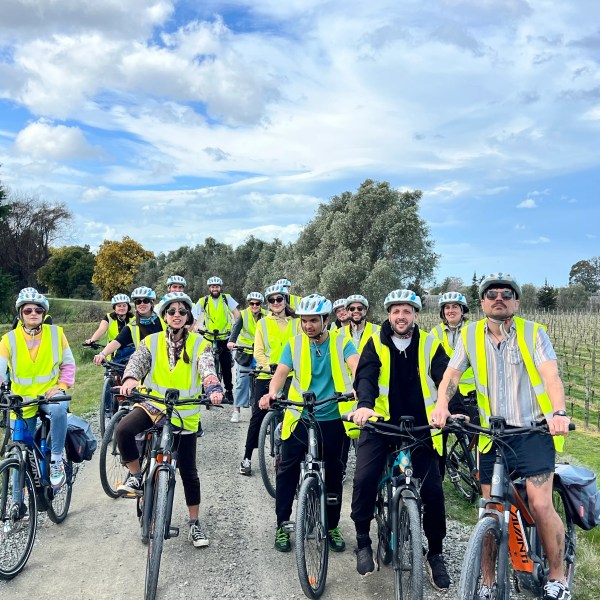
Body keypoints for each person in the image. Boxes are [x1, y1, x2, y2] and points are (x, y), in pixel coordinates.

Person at [431, 273, 572, 600]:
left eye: (506, 294)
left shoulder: (533, 333)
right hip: (492, 437)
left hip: (533, 432)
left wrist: (560, 412)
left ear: (516, 301)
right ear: (481, 303)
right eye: (491, 293)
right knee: (490, 510)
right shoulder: (469, 336)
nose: (498, 297)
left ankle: (557, 577)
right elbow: (451, 376)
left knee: (539, 503)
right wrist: (441, 405)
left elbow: (551, 375)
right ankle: (488, 582)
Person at [349, 289, 466, 589]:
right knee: (363, 479)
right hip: (381, 426)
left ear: (415, 314)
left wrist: (457, 410)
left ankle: (435, 553)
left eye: (407, 311)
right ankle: (363, 540)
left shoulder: (429, 343)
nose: (401, 316)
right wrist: (364, 405)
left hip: (420, 429)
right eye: (395, 311)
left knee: (433, 493)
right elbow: (366, 377)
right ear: (388, 314)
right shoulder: (375, 342)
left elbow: (446, 379)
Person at [115, 292, 223, 548]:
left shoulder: (199, 343)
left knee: (188, 472)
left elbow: (207, 367)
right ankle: (135, 476)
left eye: (182, 312)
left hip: (184, 413)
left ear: (188, 317)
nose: (176, 315)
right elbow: (136, 364)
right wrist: (130, 381)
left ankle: (194, 524)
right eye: (172, 311)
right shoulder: (150, 342)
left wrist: (213, 387)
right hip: (154, 406)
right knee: (123, 430)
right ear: (164, 316)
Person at [259, 294, 359, 552]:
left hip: (333, 417)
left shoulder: (341, 341)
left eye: (314, 320)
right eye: (304, 321)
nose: (308, 325)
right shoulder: (295, 344)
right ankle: (282, 525)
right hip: (300, 415)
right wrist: (272, 393)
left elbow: (356, 365)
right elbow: (281, 373)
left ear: (325, 320)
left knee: (336, 474)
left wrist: (362, 387)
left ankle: (333, 525)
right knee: (287, 472)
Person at [0, 291, 75, 488]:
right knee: (19, 451)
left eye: (38, 309)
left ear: (43, 313)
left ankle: (56, 459)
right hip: (22, 400)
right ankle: (19, 503)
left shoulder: (56, 334)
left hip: (50, 395)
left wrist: (61, 387)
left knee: (59, 409)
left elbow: (68, 365)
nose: (33, 313)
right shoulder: (9, 339)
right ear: (20, 314)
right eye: (28, 310)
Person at [239, 284, 298, 475]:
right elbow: (259, 351)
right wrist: (269, 367)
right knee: (257, 416)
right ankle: (247, 458)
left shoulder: (297, 323)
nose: (275, 303)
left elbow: (301, 347)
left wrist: (287, 368)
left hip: (290, 375)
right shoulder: (262, 323)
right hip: (266, 374)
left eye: (279, 299)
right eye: (271, 300)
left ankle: (297, 457)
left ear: (285, 300)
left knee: (295, 413)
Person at [193, 276, 240, 404]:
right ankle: (205, 390)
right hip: (208, 337)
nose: (215, 289)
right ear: (209, 288)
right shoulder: (204, 300)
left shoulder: (226, 298)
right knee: (205, 364)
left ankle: (229, 391)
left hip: (224, 337)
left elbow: (237, 315)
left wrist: (235, 328)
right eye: (212, 287)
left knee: (226, 365)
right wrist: (195, 325)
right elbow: (194, 315)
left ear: (220, 287)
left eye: (217, 286)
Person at [430, 291, 477, 418]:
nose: (450, 310)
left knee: (472, 435)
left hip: (472, 395)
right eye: (447, 307)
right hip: (445, 395)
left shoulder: (475, 330)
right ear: (443, 312)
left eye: (455, 307)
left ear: (462, 310)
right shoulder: (435, 333)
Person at [92, 287, 162, 366]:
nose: (142, 304)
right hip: (143, 366)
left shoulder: (164, 321)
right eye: (138, 301)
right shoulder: (132, 326)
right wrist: (102, 354)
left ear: (151, 303)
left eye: (145, 301)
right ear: (135, 305)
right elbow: (118, 341)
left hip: (163, 364)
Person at [227, 292, 266, 422]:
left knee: (262, 383)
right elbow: (236, 329)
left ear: (261, 304)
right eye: (252, 303)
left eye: (257, 303)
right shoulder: (243, 314)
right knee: (242, 382)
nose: (254, 306)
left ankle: (259, 412)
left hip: (261, 354)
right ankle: (236, 411)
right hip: (245, 353)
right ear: (248, 303)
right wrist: (231, 341)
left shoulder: (267, 315)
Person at [85, 293, 134, 363]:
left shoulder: (133, 319)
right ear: (114, 308)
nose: (122, 308)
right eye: (119, 306)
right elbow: (101, 329)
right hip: (112, 352)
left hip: (130, 353)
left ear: (128, 307)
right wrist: (92, 340)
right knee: (110, 373)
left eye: (124, 305)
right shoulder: (109, 318)